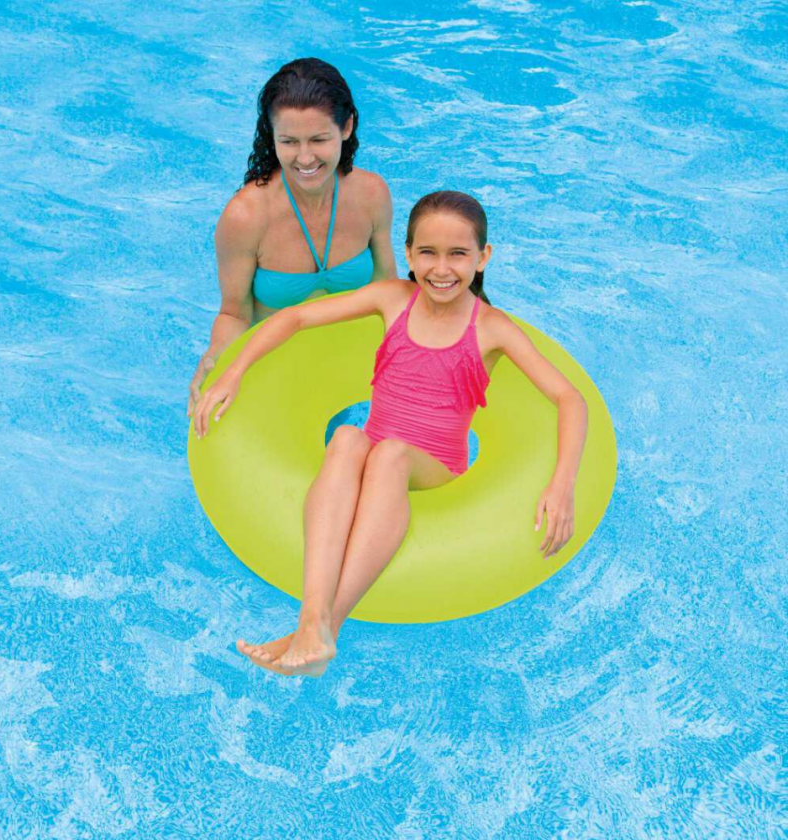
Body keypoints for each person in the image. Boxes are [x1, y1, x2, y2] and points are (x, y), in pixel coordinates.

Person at [193, 191, 588, 678]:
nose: (441, 269)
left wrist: (562, 485)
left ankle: (325, 626)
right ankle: (311, 622)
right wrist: (233, 372)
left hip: (433, 466)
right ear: (408, 254)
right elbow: (295, 317)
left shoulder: (492, 327)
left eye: (458, 254)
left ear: (483, 257)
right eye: (428, 253)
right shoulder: (393, 299)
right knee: (347, 439)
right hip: (376, 450)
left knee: (390, 454)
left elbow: (570, 398)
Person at [187, 57, 398, 419]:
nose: (304, 158)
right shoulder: (246, 217)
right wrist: (215, 359)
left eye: (319, 139)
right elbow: (234, 313)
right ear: (272, 136)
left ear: (346, 127)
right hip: (276, 374)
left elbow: (388, 292)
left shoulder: (371, 195)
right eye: (288, 141)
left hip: (350, 371)